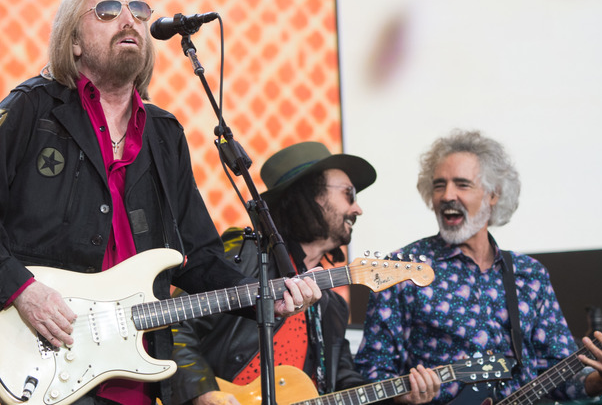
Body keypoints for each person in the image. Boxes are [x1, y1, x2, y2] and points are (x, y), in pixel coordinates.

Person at [0, 0, 319, 405]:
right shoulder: (33, 109)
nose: (129, 20)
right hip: (51, 355)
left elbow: (199, 255)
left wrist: (268, 298)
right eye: (108, 11)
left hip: (138, 370)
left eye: (138, 11)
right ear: (74, 41)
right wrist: (22, 289)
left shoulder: (165, 135)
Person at [354, 129, 602, 405]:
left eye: (462, 184)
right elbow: (370, 376)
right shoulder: (401, 270)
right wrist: (406, 396)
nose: (447, 195)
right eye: (439, 185)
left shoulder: (529, 275)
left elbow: (558, 379)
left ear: (493, 194)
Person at [170, 142, 441, 405]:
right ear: (311, 195)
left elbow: (344, 385)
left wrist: (396, 396)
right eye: (349, 194)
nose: (357, 208)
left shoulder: (332, 305)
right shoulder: (245, 253)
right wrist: (201, 392)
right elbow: (175, 325)